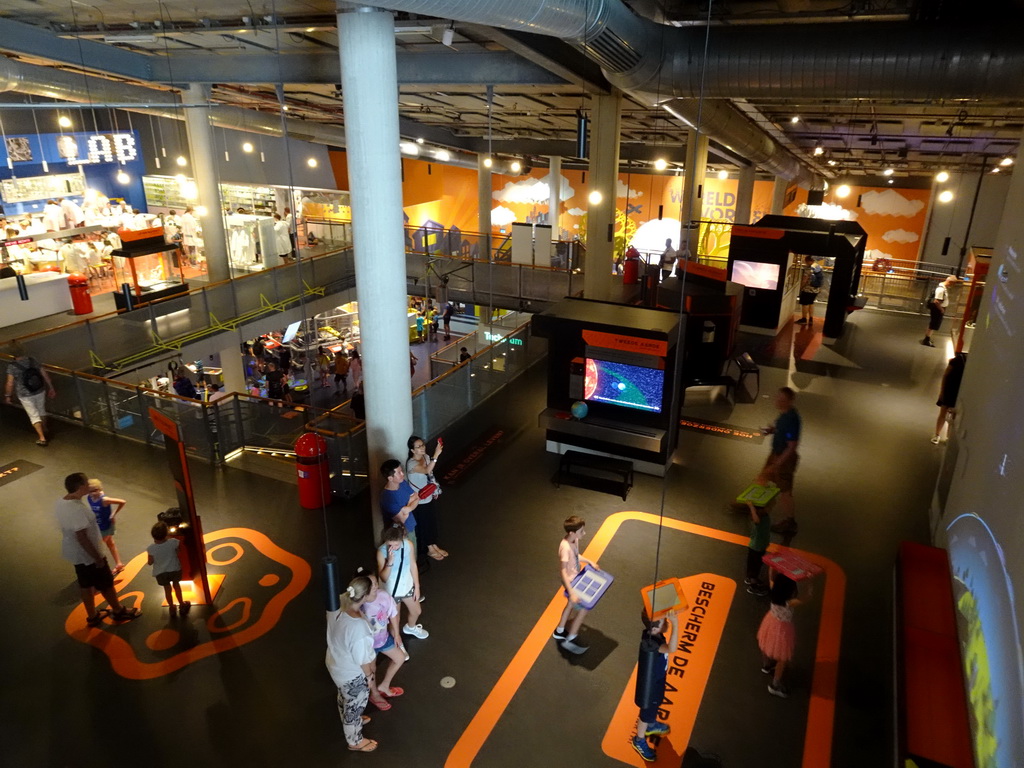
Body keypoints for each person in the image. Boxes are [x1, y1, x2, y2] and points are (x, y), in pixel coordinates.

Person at [55, 472, 141, 627]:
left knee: (85, 584)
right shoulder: (77, 509)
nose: (89, 486)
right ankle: (118, 611)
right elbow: (82, 537)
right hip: (89, 556)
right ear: (81, 487)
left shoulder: (61, 503)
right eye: (87, 483)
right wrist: (98, 558)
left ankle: (92, 616)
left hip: (77, 556)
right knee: (106, 583)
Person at [325, 576, 378, 753]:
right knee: (355, 704)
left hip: (336, 664)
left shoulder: (339, 603)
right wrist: (370, 677)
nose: (377, 590)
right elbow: (363, 660)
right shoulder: (358, 629)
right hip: (351, 673)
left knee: (345, 696)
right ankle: (355, 740)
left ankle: (350, 718)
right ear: (364, 596)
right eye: (374, 588)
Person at [353, 566, 407, 710]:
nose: (376, 586)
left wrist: (396, 633)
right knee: (372, 670)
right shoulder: (360, 604)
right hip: (369, 646)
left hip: (383, 639)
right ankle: (374, 694)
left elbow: (393, 613)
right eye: (372, 585)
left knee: (400, 658)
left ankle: (384, 685)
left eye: (376, 582)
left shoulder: (383, 596)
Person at [631, 608, 680, 761]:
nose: (666, 624)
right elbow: (672, 648)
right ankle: (639, 740)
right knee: (646, 713)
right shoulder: (652, 643)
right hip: (650, 686)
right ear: (654, 627)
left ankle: (651, 725)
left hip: (658, 679)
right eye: (664, 622)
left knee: (655, 705)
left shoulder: (653, 634)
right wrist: (675, 625)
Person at [553, 515, 599, 655]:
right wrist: (572, 592)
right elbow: (563, 571)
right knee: (584, 608)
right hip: (571, 582)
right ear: (572, 532)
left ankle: (560, 630)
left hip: (576, 578)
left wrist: (589, 561)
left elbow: (577, 556)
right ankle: (571, 637)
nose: (583, 534)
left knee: (570, 605)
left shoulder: (574, 540)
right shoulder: (565, 548)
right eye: (581, 531)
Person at [759, 387, 801, 535]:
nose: (778, 401)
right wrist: (771, 430)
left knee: (785, 492)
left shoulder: (792, 419)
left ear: (789, 401)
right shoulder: (784, 415)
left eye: (782, 400)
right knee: (763, 478)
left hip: (784, 459)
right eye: (778, 398)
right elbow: (781, 430)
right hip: (776, 454)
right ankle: (754, 505)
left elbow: (791, 446)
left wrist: (777, 463)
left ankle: (790, 522)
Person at [376, 524, 428, 641]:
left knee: (416, 611)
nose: (393, 547)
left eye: (396, 545)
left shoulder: (408, 545)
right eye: (390, 545)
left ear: (401, 540)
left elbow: (413, 565)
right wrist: (390, 562)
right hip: (391, 591)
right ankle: (397, 643)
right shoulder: (381, 552)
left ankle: (411, 627)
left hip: (406, 586)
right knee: (395, 619)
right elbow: (383, 577)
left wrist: (417, 586)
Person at [757, 573, 801, 698]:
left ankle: (766, 665)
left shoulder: (773, 589)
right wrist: (809, 583)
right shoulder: (790, 602)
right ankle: (775, 684)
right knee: (783, 657)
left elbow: (771, 579)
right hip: (782, 630)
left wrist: (772, 569)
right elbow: (807, 597)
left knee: (766, 644)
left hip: (770, 622)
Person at [4, 342, 56, 446]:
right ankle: (45, 428)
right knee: (41, 410)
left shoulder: (12, 366)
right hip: (39, 389)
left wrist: (8, 396)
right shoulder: (33, 360)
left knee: (33, 415)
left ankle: (42, 437)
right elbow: (44, 373)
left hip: (25, 394)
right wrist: (51, 387)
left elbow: (10, 383)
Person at [406, 435, 448, 561]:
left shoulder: (425, 456)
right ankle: (429, 548)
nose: (422, 448)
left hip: (427, 496)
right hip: (419, 500)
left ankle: (433, 545)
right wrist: (436, 455)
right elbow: (426, 470)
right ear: (412, 450)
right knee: (423, 523)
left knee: (430, 521)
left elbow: (430, 473)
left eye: (422, 445)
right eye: (418, 447)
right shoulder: (411, 464)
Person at [147, 521, 190, 614]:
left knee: (167, 589)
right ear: (167, 534)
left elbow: (150, 562)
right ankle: (182, 604)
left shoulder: (151, 548)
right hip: (174, 569)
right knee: (176, 586)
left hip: (161, 573)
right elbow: (178, 552)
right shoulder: (174, 542)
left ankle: (171, 608)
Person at [87, 478, 127, 574]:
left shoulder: (104, 500)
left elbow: (122, 502)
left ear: (99, 489)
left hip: (106, 527)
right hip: (98, 526)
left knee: (98, 548)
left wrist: (113, 514)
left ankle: (101, 570)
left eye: (95, 490)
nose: (92, 493)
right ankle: (119, 564)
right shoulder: (89, 498)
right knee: (110, 543)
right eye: (90, 491)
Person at [379, 459, 419, 552]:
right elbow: (401, 519)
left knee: (413, 554)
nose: (402, 474)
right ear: (390, 478)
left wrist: (407, 508)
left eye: (401, 471)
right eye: (399, 472)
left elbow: (416, 497)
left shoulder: (402, 483)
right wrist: (411, 502)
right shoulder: (387, 497)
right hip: (398, 535)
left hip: (410, 526)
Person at [933, 351, 967, 444]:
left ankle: (945, 436)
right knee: (946, 413)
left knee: (951, 415)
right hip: (951, 390)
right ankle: (938, 434)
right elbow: (945, 375)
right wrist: (942, 391)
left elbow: (945, 375)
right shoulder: (959, 360)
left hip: (955, 390)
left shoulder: (959, 360)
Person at [744, 499, 772, 596]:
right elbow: (756, 519)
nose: (768, 508)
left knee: (757, 564)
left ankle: (751, 578)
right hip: (755, 547)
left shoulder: (765, 516)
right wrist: (751, 507)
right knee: (754, 566)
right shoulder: (758, 519)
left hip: (761, 545)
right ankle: (753, 585)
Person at [922, 275, 958, 347]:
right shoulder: (941, 289)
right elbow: (937, 301)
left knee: (933, 324)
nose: (953, 285)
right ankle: (926, 339)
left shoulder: (943, 288)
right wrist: (941, 309)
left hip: (938, 309)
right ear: (950, 282)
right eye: (953, 284)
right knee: (933, 324)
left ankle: (927, 338)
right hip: (937, 309)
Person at [796, 255, 823, 325]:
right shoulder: (818, 267)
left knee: (805, 304)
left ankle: (804, 319)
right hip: (816, 289)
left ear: (809, 261)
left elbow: (805, 280)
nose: (805, 263)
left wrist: (800, 288)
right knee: (811, 303)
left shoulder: (809, 269)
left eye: (806, 261)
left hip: (808, 289)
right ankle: (811, 319)